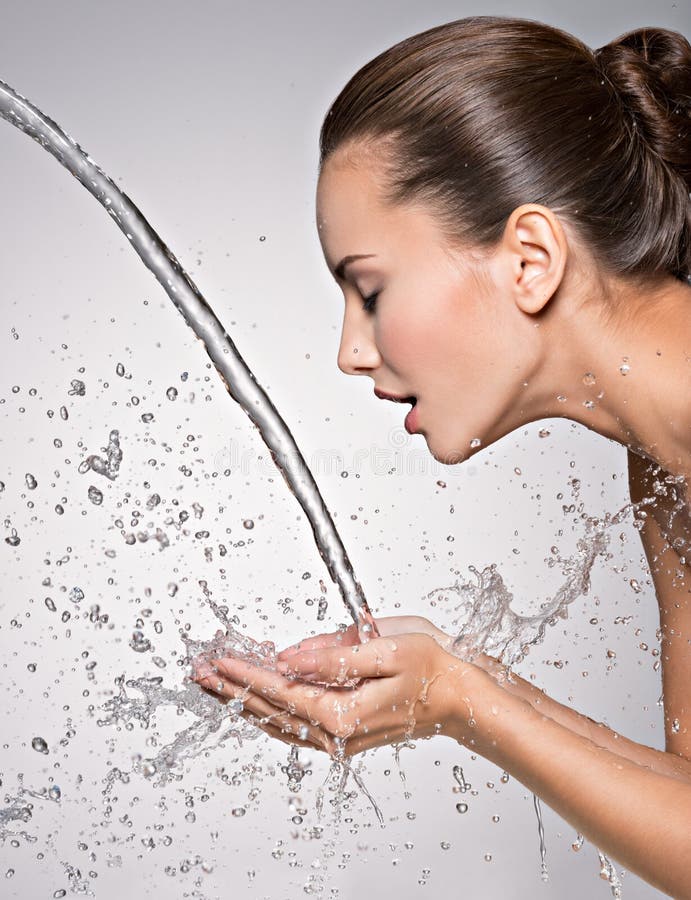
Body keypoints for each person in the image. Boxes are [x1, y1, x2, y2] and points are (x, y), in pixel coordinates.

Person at [193, 17, 691, 897]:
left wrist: (463, 699)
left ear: (529, 260)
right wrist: (455, 683)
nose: (349, 350)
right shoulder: (662, 470)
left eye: (370, 289)